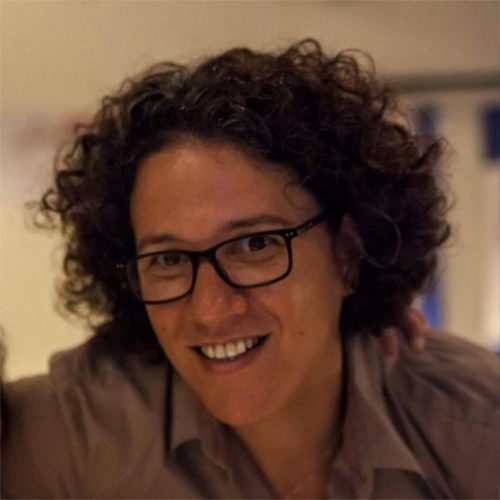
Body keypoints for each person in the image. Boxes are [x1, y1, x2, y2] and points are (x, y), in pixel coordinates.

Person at [1, 39, 498, 499]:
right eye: (169, 259)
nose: (210, 309)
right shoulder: (82, 428)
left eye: (254, 245)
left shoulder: (475, 429)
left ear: (347, 253)